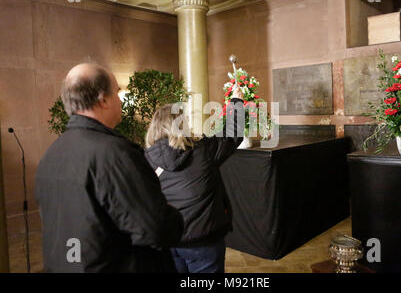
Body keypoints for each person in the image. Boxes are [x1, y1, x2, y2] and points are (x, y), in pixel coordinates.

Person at [35, 63, 183, 273]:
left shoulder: (50, 156)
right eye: (117, 92)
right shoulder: (115, 154)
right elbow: (156, 229)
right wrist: (170, 215)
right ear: (103, 100)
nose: (121, 100)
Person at [144, 87, 245, 273]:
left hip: (168, 239)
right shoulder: (203, 151)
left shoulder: (144, 159)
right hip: (203, 241)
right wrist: (236, 103)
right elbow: (233, 134)